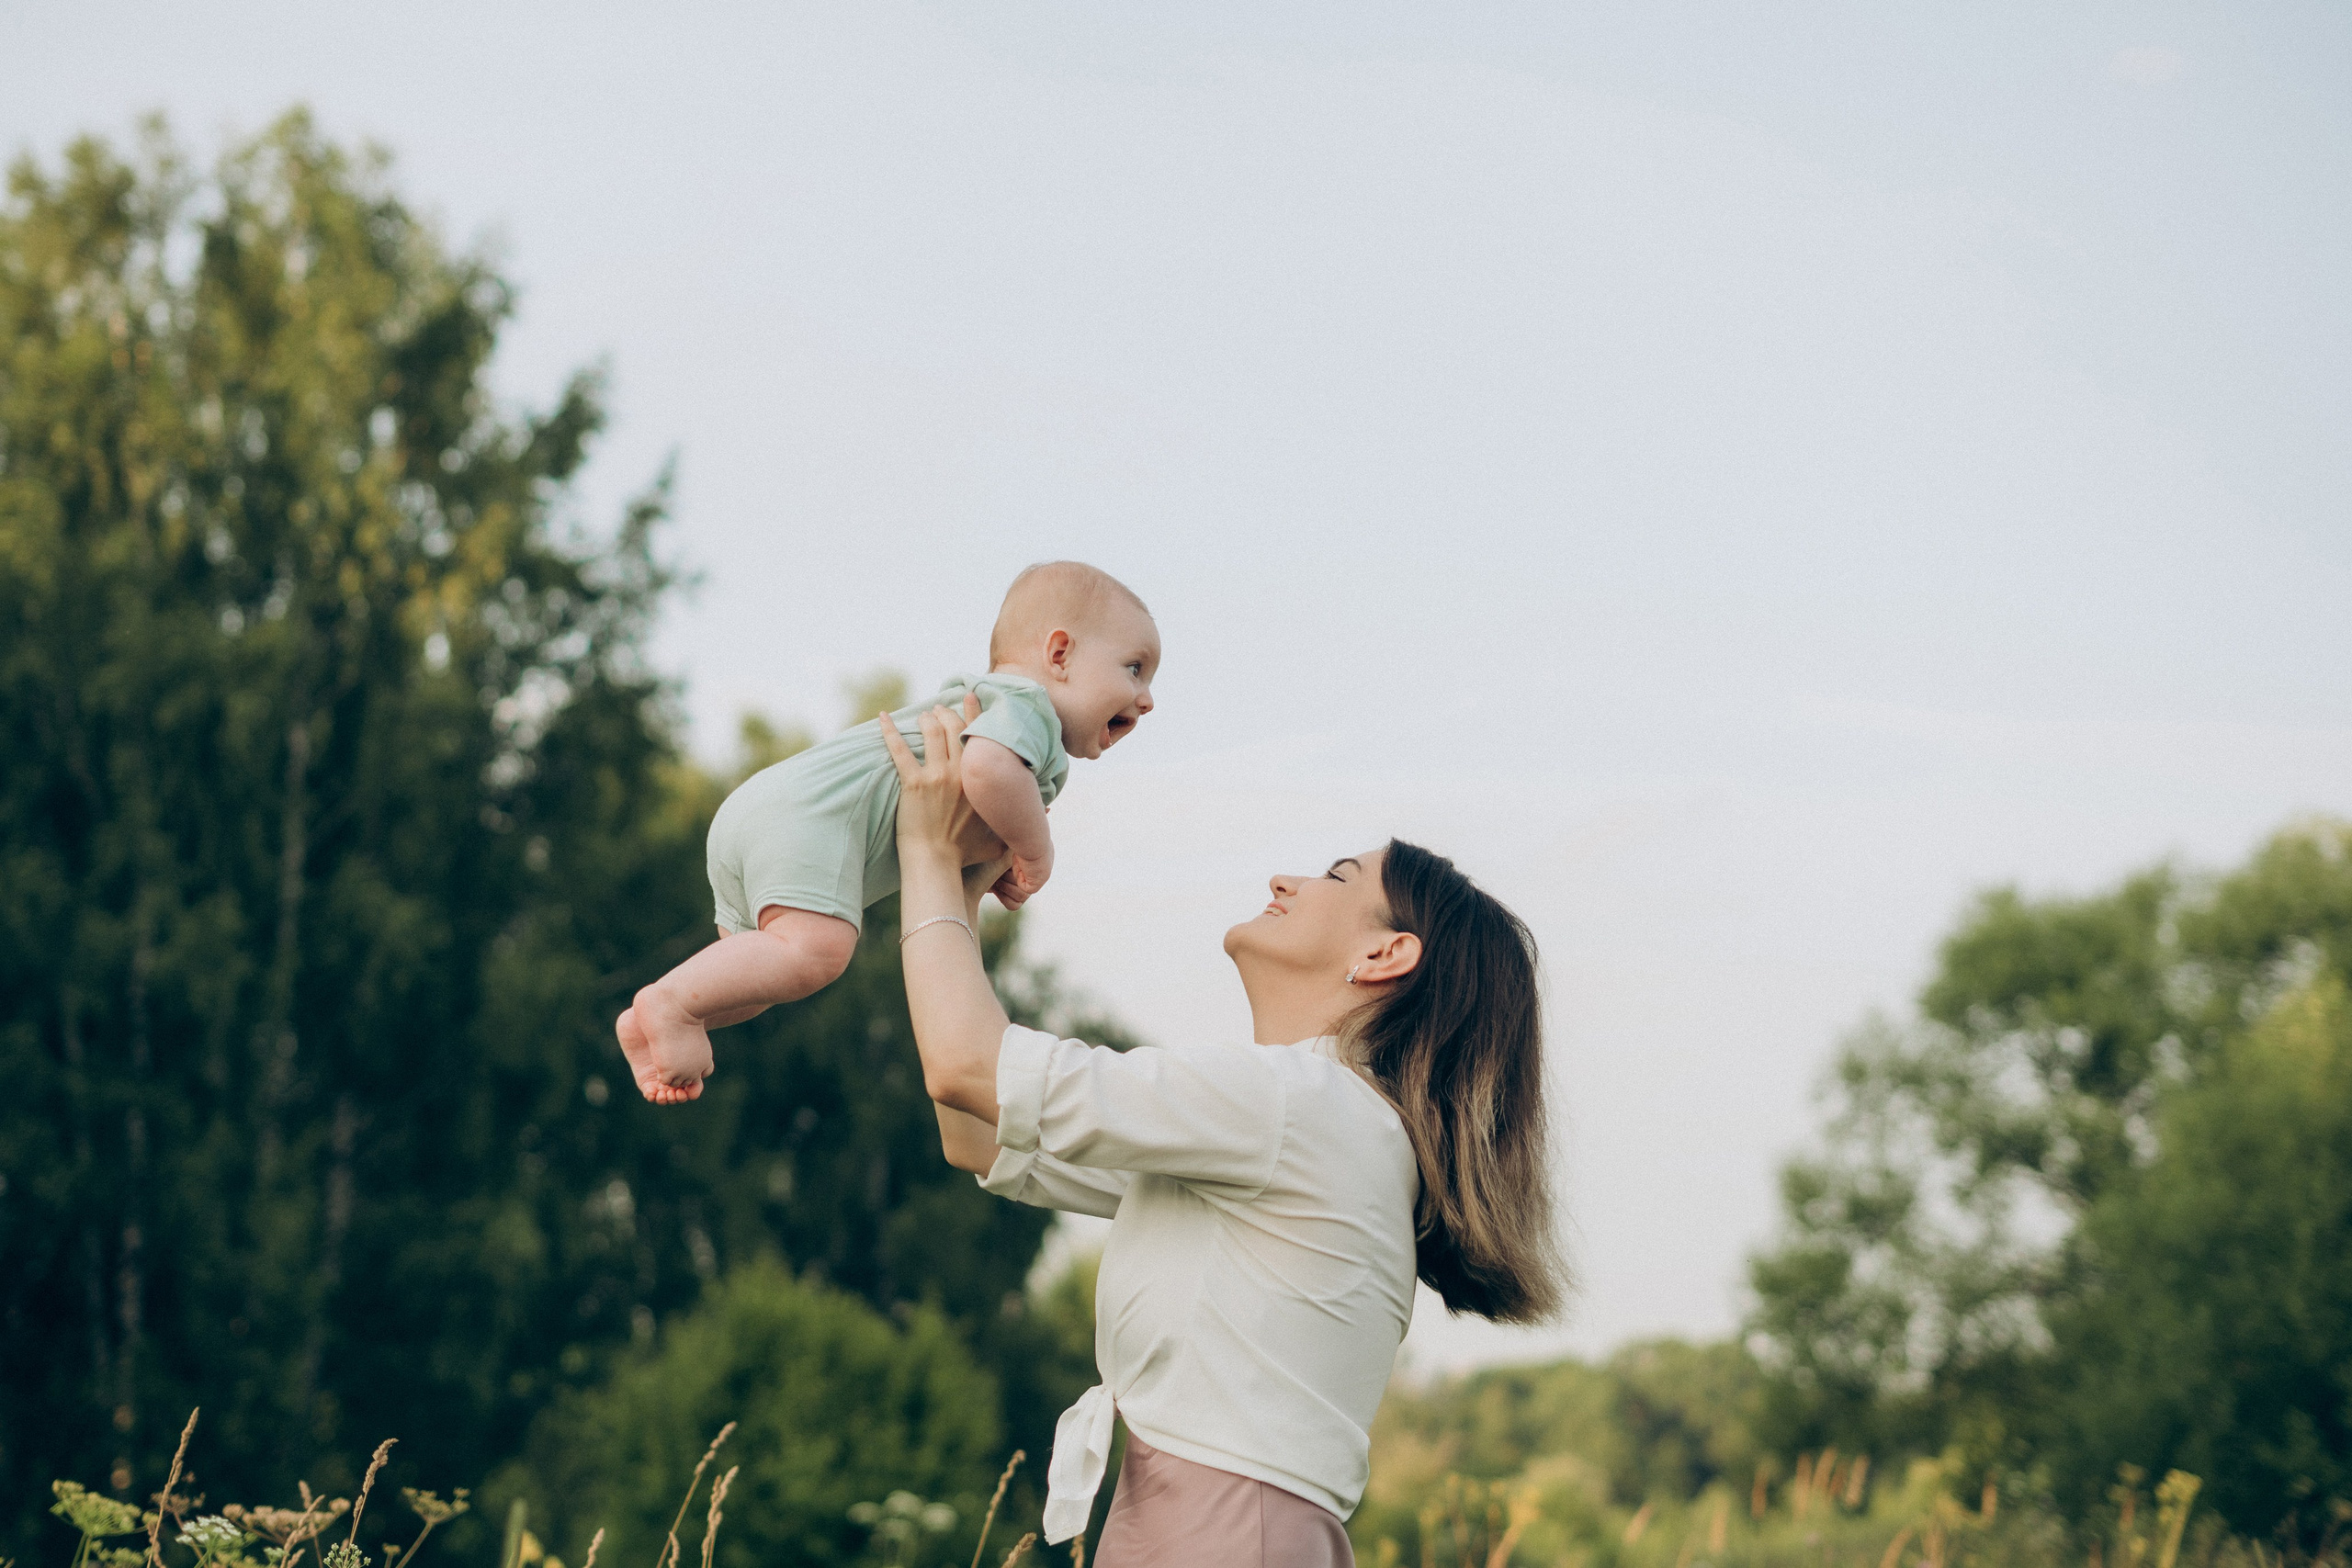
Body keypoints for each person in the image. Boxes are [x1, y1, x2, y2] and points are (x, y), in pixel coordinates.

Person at [880, 703, 1565, 1565]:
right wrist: (965, 888)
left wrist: (928, 853)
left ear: (1386, 955)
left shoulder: (1298, 1105)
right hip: (1212, 1528)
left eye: (1337, 876)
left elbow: (963, 1069)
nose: (1286, 880)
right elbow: (976, 1131)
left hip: (1224, 1535)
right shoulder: (1305, 1126)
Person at [614, 561, 1159, 1105]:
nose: (1148, 699)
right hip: (810, 820)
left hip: (761, 812)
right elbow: (988, 772)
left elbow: (972, 804)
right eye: (1134, 669)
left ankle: (651, 1021)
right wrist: (1035, 850)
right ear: (1059, 654)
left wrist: (992, 865)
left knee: (760, 977)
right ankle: (675, 1004)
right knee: (818, 951)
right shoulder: (1026, 706)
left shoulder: (987, 707)